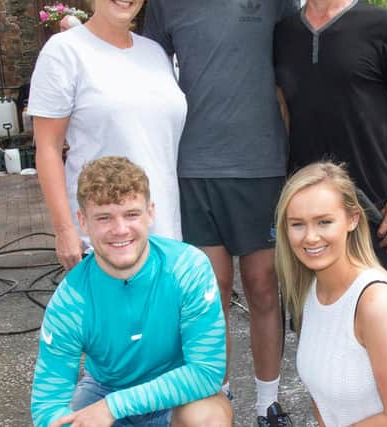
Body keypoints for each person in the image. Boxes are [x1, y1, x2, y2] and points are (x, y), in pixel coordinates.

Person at [143, 2, 300, 422]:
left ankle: (268, 402)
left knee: (265, 288)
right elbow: (144, 71)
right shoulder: (162, 5)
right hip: (193, 167)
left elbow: (295, 70)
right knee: (212, 295)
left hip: (261, 166)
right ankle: (220, 398)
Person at [31, 157, 232, 427]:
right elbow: (47, 403)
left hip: (177, 393)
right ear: (82, 221)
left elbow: (206, 372)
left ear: (150, 213)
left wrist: (114, 407)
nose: (120, 230)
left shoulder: (188, 268)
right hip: (104, 389)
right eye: (104, 218)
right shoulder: (70, 302)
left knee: (208, 419)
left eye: (131, 214)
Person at [274, 0, 387, 324]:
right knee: (317, 335)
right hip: (312, 223)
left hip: (377, 213)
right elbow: (287, 115)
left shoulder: (382, 25)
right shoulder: (283, 33)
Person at [274, 162, 387, 426]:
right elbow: (323, 401)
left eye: (324, 222)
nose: (310, 237)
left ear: (352, 219)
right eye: (297, 224)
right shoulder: (310, 292)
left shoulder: (376, 302)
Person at [29, 0, 187, 271]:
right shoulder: (64, 52)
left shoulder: (154, 53)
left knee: (161, 313)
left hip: (163, 232)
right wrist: (65, 230)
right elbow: (48, 148)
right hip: (107, 236)